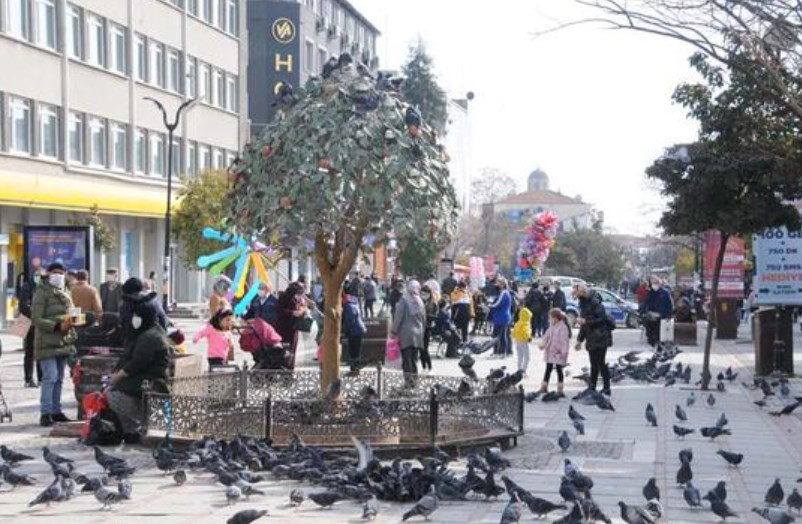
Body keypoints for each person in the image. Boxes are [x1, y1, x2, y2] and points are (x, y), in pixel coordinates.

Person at [107, 295, 170, 443]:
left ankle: (137, 426)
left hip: (151, 383)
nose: (134, 319)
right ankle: (132, 429)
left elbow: (138, 362)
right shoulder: (153, 330)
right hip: (147, 378)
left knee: (114, 395)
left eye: (137, 316)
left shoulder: (149, 337)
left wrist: (118, 376)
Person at [31, 262, 77, 427]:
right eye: (56, 272)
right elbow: (36, 318)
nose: (59, 275)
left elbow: (71, 310)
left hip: (64, 340)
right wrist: (57, 325)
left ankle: (56, 411)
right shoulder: (42, 292)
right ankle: (45, 413)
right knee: (49, 377)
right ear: (49, 273)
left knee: (59, 379)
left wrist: (76, 319)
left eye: (62, 273)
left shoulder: (65, 289)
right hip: (47, 342)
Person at [575, 284, 612, 396]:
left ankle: (606, 387)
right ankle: (592, 387)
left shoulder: (595, 303)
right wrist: (579, 340)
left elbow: (601, 319)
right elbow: (583, 325)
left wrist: (586, 322)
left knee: (600, 363)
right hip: (591, 337)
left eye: (578, 293)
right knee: (593, 363)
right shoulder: (583, 303)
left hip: (601, 337)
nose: (576, 295)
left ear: (584, 292)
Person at [391, 280, 426, 379]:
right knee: (414, 359)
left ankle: (408, 382)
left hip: (405, 334)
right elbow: (424, 319)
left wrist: (394, 331)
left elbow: (398, 318)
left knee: (406, 359)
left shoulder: (404, 301)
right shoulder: (420, 301)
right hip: (418, 334)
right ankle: (415, 380)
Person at [120, 277, 169, 347]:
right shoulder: (154, 302)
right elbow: (163, 320)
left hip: (134, 345)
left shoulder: (126, 304)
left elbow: (125, 325)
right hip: (155, 341)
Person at [16, 272, 41, 387]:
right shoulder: (27, 286)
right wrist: (36, 316)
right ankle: (29, 379)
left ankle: (41, 378)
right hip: (28, 321)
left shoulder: (41, 286)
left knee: (39, 351)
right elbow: (23, 306)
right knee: (30, 352)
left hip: (35, 321)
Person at [275, 282, 308, 370]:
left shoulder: (300, 298)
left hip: (295, 328)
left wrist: (303, 311)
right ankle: (283, 369)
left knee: (293, 350)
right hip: (284, 328)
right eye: (298, 292)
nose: (299, 294)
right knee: (285, 349)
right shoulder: (284, 297)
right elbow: (279, 310)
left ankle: (290, 371)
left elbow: (304, 307)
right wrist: (292, 313)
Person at [539, 308, 571, 396]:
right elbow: (546, 336)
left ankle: (560, 389)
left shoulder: (563, 327)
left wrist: (564, 353)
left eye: (551, 318)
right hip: (550, 351)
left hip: (558, 352)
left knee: (559, 370)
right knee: (548, 369)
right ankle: (544, 386)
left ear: (556, 318)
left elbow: (565, 342)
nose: (549, 320)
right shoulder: (552, 326)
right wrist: (542, 344)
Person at [644, 277, 673, 347]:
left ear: (660, 284)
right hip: (652, 318)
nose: (654, 285)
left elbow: (670, 305)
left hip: (662, 317)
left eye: (656, 283)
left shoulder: (665, 293)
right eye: (653, 283)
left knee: (661, 336)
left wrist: (668, 316)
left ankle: (660, 348)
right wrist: (647, 313)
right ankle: (653, 344)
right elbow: (646, 304)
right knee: (651, 336)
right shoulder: (650, 293)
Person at [342, 292, 366, 373]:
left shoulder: (348, 306)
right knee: (355, 349)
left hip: (354, 330)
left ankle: (355, 368)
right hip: (358, 329)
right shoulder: (353, 303)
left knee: (354, 350)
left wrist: (346, 330)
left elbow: (350, 319)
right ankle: (355, 367)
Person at [489, 278, 513, 357]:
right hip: (503, 316)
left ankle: (500, 352)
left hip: (501, 317)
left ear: (502, 284)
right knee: (502, 335)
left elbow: (497, 304)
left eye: (499, 283)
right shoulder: (506, 293)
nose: (497, 284)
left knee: (499, 335)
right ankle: (500, 352)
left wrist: (490, 305)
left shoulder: (504, 293)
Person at [511, 306, 533, 376]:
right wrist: (528, 338)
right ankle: (523, 371)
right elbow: (526, 332)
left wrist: (514, 337)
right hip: (523, 341)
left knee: (520, 356)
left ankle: (519, 369)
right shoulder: (526, 323)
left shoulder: (518, 323)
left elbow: (513, 332)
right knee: (527, 357)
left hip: (517, 341)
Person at [420, 285, 439, 362]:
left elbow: (436, 315)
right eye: (422, 293)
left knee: (425, 346)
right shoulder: (418, 301)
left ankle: (427, 365)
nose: (424, 295)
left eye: (426, 293)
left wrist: (427, 316)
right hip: (419, 326)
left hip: (428, 326)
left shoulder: (433, 303)